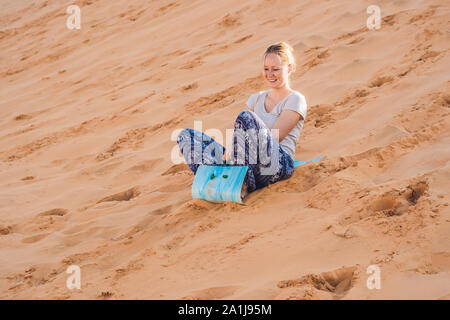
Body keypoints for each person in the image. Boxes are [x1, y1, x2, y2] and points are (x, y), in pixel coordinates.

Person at [177, 41, 307, 198]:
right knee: (185, 136)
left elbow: (275, 137)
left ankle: (240, 183)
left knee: (246, 117)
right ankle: (216, 179)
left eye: (276, 69)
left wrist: (239, 147)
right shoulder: (256, 99)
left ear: (290, 68)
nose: (270, 74)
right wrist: (232, 148)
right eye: (266, 69)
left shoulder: (295, 99)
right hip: (247, 163)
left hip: (276, 165)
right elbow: (243, 134)